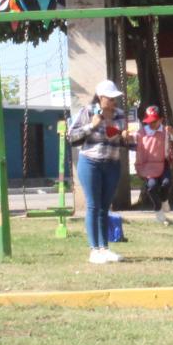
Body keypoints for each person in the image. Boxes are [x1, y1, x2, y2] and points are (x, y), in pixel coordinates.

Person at [68, 79, 130, 264]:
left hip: (112, 163)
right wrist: (91, 126)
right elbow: (71, 136)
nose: (113, 101)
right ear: (100, 97)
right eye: (110, 98)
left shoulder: (120, 115)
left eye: (115, 98)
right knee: (93, 206)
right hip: (90, 163)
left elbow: (123, 142)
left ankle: (104, 249)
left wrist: (125, 137)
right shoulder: (88, 112)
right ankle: (94, 250)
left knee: (105, 207)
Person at [134, 105, 173, 224]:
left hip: (163, 162)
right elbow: (132, 139)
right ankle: (158, 208)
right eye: (149, 121)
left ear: (160, 120)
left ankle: (164, 200)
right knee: (152, 186)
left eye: (154, 121)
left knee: (166, 182)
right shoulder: (142, 132)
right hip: (148, 165)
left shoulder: (165, 131)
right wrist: (125, 135)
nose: (151, 124)